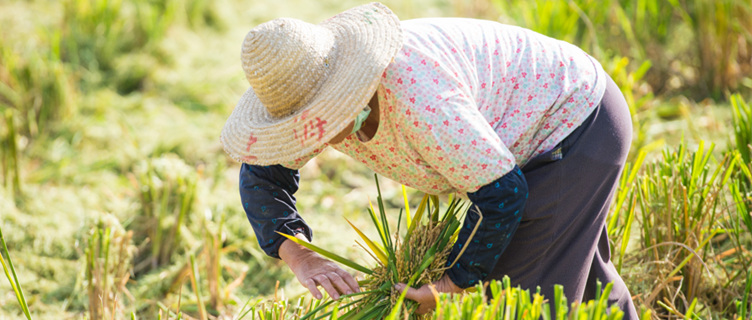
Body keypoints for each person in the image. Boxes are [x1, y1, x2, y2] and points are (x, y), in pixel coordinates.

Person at [220, 2, 638, 319]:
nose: (309, 137)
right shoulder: (309, 94)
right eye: (299, 125)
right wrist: (300, 254)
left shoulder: (422, 102)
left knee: (523, 299)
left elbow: (503, 196)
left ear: (347, 89)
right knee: (583, 283)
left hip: (573, 122)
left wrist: (452, 284)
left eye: (319, 119)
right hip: (520, 143)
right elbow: (262, 177)